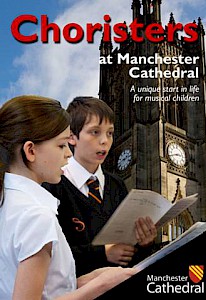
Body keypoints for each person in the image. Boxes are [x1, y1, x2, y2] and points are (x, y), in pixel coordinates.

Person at [0, 95, 137, 300]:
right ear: (30, 150)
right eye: (61, 145)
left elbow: (44, 287)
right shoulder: (37, 216)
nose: (68, 154)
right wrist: (102, 285)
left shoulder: (9, 202)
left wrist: (86, 280)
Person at [43, 96, 157, 276]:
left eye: (110, 133)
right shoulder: (53, 184)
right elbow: (48, 258)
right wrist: (103, 253)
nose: (105, 140)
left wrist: (144, 244)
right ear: (72, 137)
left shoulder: (117, 185)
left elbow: (128, 257)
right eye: (95, 132)